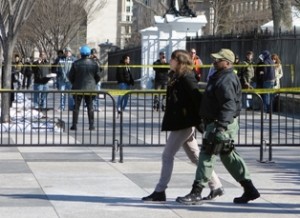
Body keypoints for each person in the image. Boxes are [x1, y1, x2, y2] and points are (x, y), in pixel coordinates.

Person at [176, 48, 260, 205]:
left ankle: (196, 192)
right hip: (217, 122)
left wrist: (220, 126)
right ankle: (249, 189)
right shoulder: (219, 76)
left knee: (207, 155)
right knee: (229, 156)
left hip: (220, 124)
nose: (214, 61)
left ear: (227, 63)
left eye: (218, 60)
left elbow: (228, 105)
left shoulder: (226, 79)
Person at [142, 49, 224, 202]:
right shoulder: (175, 76)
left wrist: (201, 120)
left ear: (178, 61)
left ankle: (160, 191)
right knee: (196, 157)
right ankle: (216, 185)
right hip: (180, 121)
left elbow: (197, 99)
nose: (169, 61)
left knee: (167, 156)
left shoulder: (187, 77)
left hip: (184, 123)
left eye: (172, 59)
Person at [68, 45, 101, 131]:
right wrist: (94, 83)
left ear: (81, 53)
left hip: (78, 87)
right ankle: (91, 125)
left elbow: (70, 76)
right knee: (90, 106)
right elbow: (98, 76)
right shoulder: (94, 64)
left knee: (76, 106)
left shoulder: (76, 63)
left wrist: (74, 83)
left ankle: (74, 125)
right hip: (90, 88)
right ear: (89, 54)